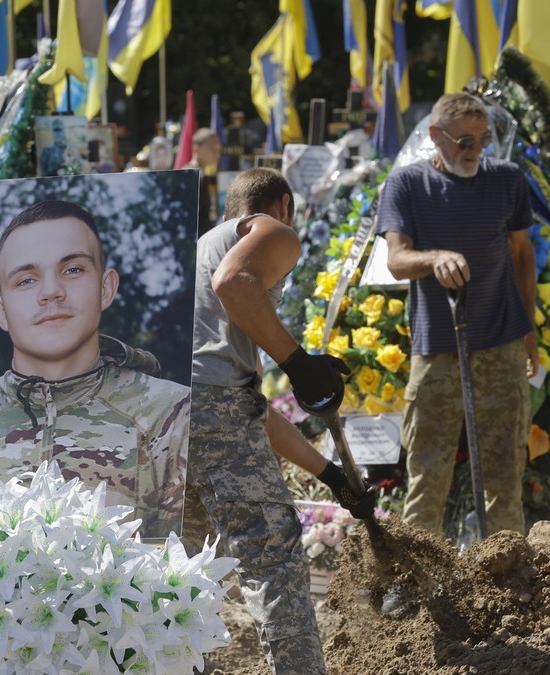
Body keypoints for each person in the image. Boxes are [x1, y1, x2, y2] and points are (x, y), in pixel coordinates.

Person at [0, 200, 191, 537]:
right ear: (1, 311)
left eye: (72, 270)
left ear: (105, 288)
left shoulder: (171, 415)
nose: (51, 292)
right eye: (26, 280)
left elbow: (182, 560)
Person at [188, 167, 369, 674]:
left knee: (183, 569)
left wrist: (331, 475)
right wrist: (298, 363)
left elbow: (247, 411)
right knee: (274, 561)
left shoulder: (199, 252)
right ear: (284, 206)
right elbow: (235, 281)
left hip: (164, 415)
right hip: (212, 410)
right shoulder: (272, 229)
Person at [377, 93, 537, 538]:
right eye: (465, 140)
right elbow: (396, 260)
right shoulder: (407, 184)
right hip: (437, 348)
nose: (475, 150)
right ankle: (419, 570)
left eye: (483, 140)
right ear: (435, 135)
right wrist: (436, 259)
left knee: (505, 473)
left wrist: (529, 331)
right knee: (427, 473)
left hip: (502, 342)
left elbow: (522, 254)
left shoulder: (506, 180)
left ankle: (506, 564)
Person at [187, 128, 222, 237]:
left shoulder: (203, 175)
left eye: (218, 150)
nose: (217, 155)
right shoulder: (192, 175)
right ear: (196, 149)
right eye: (212, 149)